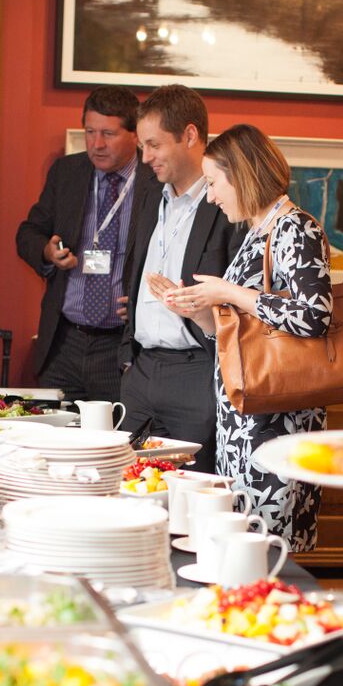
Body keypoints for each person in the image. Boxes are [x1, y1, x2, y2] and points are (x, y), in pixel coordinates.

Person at [164, 124, 332, 551]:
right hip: (245, 420)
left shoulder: (296, 227)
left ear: (241, 174)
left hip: (277, 422)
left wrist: (228, 291)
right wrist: (198, 312)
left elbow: (314, 316)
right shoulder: (255, 233)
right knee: (245, 547)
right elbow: (239, 334)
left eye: (215, 182)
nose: (212, 195)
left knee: (268, 552)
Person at [119, 85, 241, 473]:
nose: (145, 157)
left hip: (197, 374)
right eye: (142, 146)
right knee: (130, 491)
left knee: (192, 498)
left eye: (153, 144)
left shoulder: (227, 203)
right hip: (140, 374)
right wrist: (129, 361)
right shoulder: (149, 197)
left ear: (190, 136)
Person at [15, 86, 155, 402]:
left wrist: (143, 300)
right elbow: (28, 232)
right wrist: (47, 252)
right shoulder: (67, 172)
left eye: (108, 133)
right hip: (64, 343)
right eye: (89, 132)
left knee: (116, 444)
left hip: (120, 349)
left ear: (135, 135)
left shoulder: (156, 182)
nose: (97, 144)